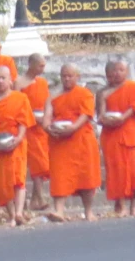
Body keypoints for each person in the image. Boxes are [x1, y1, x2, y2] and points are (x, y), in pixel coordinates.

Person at [43, 64, 101, 223]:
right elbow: (47, 116)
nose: (67, 79)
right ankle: (59, 211)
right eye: (64, 76)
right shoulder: (53, 96)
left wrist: (73, 128)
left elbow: (86, 115)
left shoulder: (85, 94)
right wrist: (48, 128)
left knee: (86, 177)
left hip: (81, 139)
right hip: (60, 140)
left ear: (78, 77)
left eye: (70, 76)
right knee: (59, 175)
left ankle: (88, 211)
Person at [0, 66, 35, 226]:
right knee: (2, 182)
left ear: (10, 80)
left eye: (3, 78)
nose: (0, 81)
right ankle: (12, 214)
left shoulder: (20, 98)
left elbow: (23, 121)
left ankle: (19, 212)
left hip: (16, 142)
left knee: (18, 178)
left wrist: (19, 138)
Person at [99, 61, 135, 217]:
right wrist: (107, 120)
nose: (117, 73)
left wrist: (122, 119)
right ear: (109, 74)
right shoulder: (103, 93)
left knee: (134, 169)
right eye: (114, 70)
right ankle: (120, 205)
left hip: (129, 131)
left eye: (121, 70)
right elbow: (100, 115)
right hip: (111, 135)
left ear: (127, 72)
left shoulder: (133, 88)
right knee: (116, 169)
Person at [15, 53, 50, 211]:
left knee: (43, 163)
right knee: (38, 162)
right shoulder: (19, 82)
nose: (42, 69)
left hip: (42, 126)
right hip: (28, 127)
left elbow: (47, 102)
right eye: (40, 65)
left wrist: (47, 118)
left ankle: (34, 201)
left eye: (43, 66)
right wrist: (31, 119)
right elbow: (16, 105)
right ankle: (40, 197)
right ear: (31, 64)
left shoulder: (42, 82)